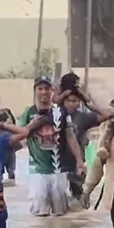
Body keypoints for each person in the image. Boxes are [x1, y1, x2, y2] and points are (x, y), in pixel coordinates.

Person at [18, 76, 85, 216]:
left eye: (47, 88)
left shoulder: (62, 112)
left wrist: (79, 161)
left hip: (59, 169)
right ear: (35, 91)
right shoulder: (29, 113)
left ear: (52, 90)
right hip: (37, 170)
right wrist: (32, 125)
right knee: (40, 214)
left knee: (61, 214)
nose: (44, 92)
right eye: (40, 88)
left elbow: (70, 136)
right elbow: (20, 135)